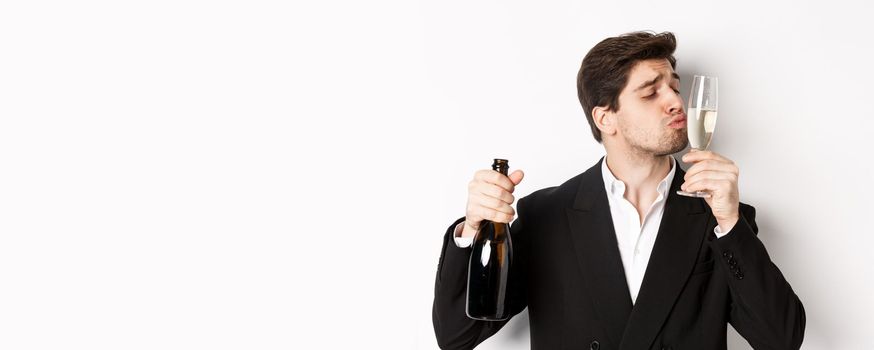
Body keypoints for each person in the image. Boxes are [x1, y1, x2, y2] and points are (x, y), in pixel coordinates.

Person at [432, 31, 805, 350]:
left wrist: (730, 223)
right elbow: (457, 335)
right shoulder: (546, 215)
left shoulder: (722, 216)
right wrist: (471, 230)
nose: (677, 101)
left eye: (675, 87)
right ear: (605, 117)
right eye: (650, 93)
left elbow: (781, 339)